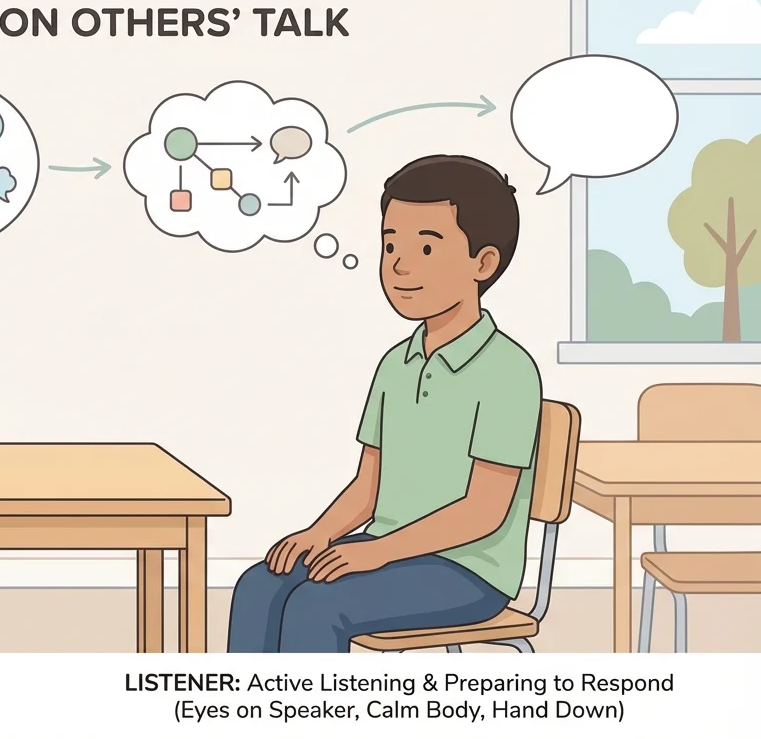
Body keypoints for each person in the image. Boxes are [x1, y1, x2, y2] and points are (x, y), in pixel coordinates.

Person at [227, 154, 542, 653]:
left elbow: (483, 512)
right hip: (389, 551)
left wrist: (378, 553)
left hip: (468, 567)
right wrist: (320, 533)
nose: (399, 263)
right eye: (390, 243)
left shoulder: (509, 372)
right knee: (260, 585)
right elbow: (368, 483)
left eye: (426, 247)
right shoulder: (396, 364)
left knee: (317, 605)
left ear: (482, 263)